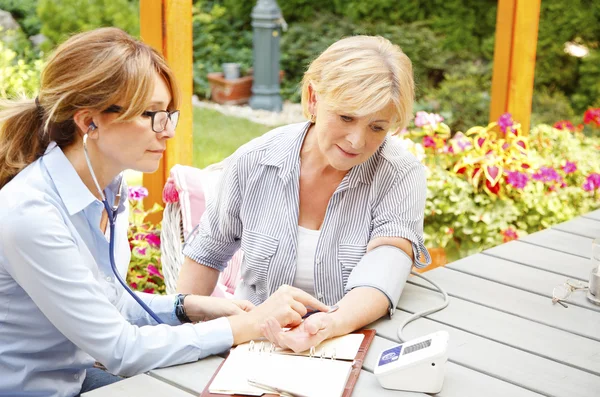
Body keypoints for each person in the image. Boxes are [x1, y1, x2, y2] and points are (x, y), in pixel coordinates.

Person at [0, 27, 328, 397]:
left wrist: (191, 307)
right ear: (88, 121)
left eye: (169, 114)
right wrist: (247, 325)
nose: (167, 131)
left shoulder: (106, 189)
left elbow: (110, 300)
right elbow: (121, 350)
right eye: (152, 114)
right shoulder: (31, 216)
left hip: (70, 380)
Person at [177, 35, 430, 353]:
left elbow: (385, 267)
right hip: (253, 344)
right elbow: (206, 255)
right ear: (313, 98)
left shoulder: (400, 173)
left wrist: (327, 326)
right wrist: (182, 341)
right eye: (346, 117)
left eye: (377, 127)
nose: (356, 141)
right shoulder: (254, 160)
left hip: (347, 343)